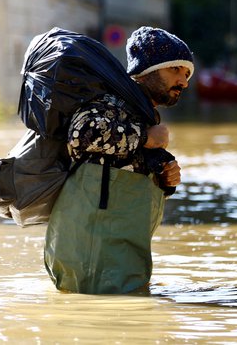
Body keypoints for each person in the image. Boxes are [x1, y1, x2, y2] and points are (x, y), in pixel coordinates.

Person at [44, 26, 195, 294]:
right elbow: (82, 135)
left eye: (186, 74)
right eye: (175, 70)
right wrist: (146, 139)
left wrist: (166, 177)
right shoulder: (111, 102)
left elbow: (124, 169)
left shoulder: (141, 113)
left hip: (120, 260)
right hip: (93, 260)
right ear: (146, 70)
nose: (183, 81)